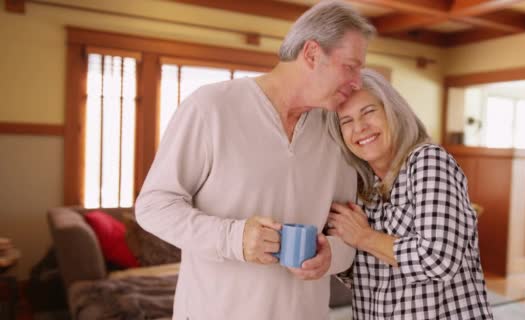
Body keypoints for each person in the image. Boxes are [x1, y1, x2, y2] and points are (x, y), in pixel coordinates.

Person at [134, 1, 376, 319]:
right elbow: (153, 207)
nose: (358, 81)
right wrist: (234, 238)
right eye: (350, 66)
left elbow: (347, 231)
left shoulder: (336, 129)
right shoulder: (210, 108)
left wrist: (332, 254)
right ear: (313, 54)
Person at [326, 69, 493, 319]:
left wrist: (363, 237)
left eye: (369, 112)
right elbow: (364, 275)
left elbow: (437, 259)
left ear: (392, 111)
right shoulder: (362, 184)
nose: (359, 128)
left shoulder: (428, 161)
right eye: (346, 121)